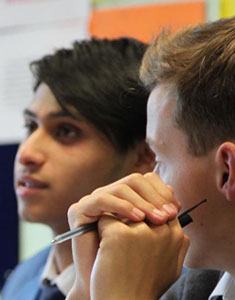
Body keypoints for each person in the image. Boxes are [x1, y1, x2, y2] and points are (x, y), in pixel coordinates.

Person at [65, 4, 235, 300]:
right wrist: (88, 291)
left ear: (227, 171)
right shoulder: (186, 290)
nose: (146, 180)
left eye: (160, 160)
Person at [1, 37, 164, 300]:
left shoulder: (179, 285)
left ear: (144, 156)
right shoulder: (21, 279)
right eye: (31, 126)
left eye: (66, 131)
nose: (27, 153)